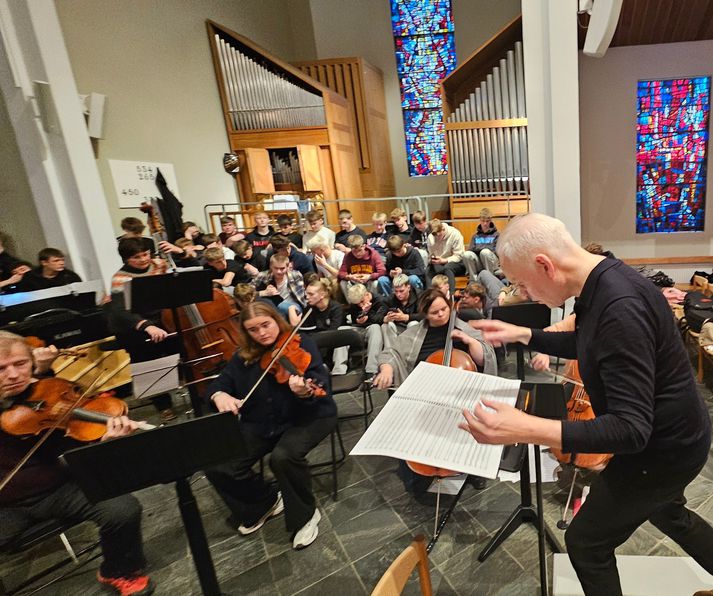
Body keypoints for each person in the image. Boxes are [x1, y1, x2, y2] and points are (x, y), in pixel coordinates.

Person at [462, 213, 713, 596]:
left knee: (587, 543)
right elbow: (590, 342)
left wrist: (527, 427)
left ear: (544, 265)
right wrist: (527, 334)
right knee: (669, 513)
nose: (523, 293)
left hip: (665, 450)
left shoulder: (619, 305)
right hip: (679, 432)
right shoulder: (604, 278)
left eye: (522, 281)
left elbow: (629, 430)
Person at [0, 332, 155, 595]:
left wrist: (104, 440)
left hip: (59, 487)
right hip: (6, 505)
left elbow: (74, 444)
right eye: (1, 369)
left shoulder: (49, 391)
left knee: (123, 510)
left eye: (20, 364)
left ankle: (116, 570)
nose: (14, 375)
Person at [204, 302, 336, 550]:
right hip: (264, 422)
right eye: (253, 330)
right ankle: (263, 502)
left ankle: (306, 516)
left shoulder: (300, 343)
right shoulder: (243, 355)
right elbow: (219, 384)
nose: (262, 333)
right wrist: (219, 395)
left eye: (266, 325)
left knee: (283, 457)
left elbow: (320, 384)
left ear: (277, 320)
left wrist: (304, 392)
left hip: (309, 416)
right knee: (218, 462)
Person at [373, 289, 496, 494]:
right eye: (434, 312)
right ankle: (419, 467)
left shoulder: (464, 328)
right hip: (427, 392)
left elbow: (485, 356)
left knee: (471, 419)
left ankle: (475, 469)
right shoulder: (414, 334)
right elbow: (391, 352)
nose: (440, 315)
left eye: (444, 309)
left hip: (461, 391)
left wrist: (471, 342)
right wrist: (386, 368)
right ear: (424, 314)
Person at [108, 238, 177, 422]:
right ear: (126, 259)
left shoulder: (159, 264)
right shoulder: (120, 278)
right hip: (139, 324)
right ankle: (164, 406)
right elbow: (119, 311)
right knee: (150, 364)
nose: (143, 259)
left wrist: (180, 252)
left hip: (165, 318)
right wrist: (147, 326)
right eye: (136, 257)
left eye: (145, 254)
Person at [336, 283, 386, 376]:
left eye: (362, 301)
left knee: (375, 328)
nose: (360, 305)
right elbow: (354, 318)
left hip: (374, 329)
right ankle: (338, 369)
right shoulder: (355, 303)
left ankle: (371, 369)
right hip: (359, 328)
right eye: (357, 303)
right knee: (341, 329)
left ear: (367, 294)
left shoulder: (380, 301)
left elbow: (380, 319)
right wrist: (359, 319)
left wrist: (367, 312)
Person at [251, 254, 306, 321]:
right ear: (271, 266)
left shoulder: (296, 275)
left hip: (294, 306)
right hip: (273, 306)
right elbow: (246, 293)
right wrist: (263, 293)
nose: (278, 271)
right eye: (276, 268)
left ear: (288, 267)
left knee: (282, 308)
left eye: (282, 268)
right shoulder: (263, 275)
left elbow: (302, 295)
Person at [337, 234, 385, 300]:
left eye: (359, 250)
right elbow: (341, 273)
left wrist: (370, 276)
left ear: (364, 246)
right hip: (355, 282)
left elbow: (382, 271)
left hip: (369, 281)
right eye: (354, 251)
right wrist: (350, 277)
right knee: (343, 283)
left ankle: (373, 302)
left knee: (375, 283)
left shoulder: (373, 254)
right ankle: (352, 305)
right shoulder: (348, 256)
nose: (357, 254)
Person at [381, 274, 423, 348]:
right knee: (386, 325)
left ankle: (409, 353)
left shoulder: (419, 295)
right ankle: (391, 353)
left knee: (413, 324)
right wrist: (385, 318)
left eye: (401, 291)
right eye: (396, 291)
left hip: (414, 328)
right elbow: (378, 315)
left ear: (408, 287)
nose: (398, 294)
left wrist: (406, 317)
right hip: (397, 327)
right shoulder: (390, 298)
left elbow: (425, 315)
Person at [426, 219, 466, 295]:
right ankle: (430, 295)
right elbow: (430, 254)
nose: (438, 238)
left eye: (439, 235)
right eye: (435, 236)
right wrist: (432, 260)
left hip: (455, 262)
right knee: (428, 270)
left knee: (448, 268)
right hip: (439, 262)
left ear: (443, 229)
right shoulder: (431, 237)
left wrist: (444, 260)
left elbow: (459, 256)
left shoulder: (455, 234)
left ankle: (451, 295)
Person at [462, 208, 501, 280]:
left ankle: (490, 279)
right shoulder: (475, 236)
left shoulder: (496, 235)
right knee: (466, 254)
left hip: (491, 261)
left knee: (485, 252)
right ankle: (473, 280)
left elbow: (497, 252)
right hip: (479, 261)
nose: (485, 223)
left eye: (487, 221)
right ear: (480, 220)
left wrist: (482, 249)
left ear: (490, 221)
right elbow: (471, 250)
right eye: (483, 221)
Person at [18, 248, 82, 291]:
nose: (61, 263)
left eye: (62, 260)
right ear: (44, 263)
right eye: (56, 261)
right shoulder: (30, 277)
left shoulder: (70, 276)